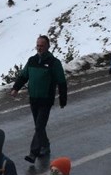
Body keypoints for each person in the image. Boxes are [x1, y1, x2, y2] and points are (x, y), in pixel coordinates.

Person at [10, 35, 68, 164]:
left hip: (46, 100)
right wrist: (15, 88)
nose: (39, 48)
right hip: (34, 99)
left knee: (39, 126)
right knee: (39, 127)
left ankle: (33, 153)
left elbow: (61, 81)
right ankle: (45, 145)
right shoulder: (32, 60)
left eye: (42, 45)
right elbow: (24, 76)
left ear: (48, 46)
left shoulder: (54, 63)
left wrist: (63, 99)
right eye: (38, 45)